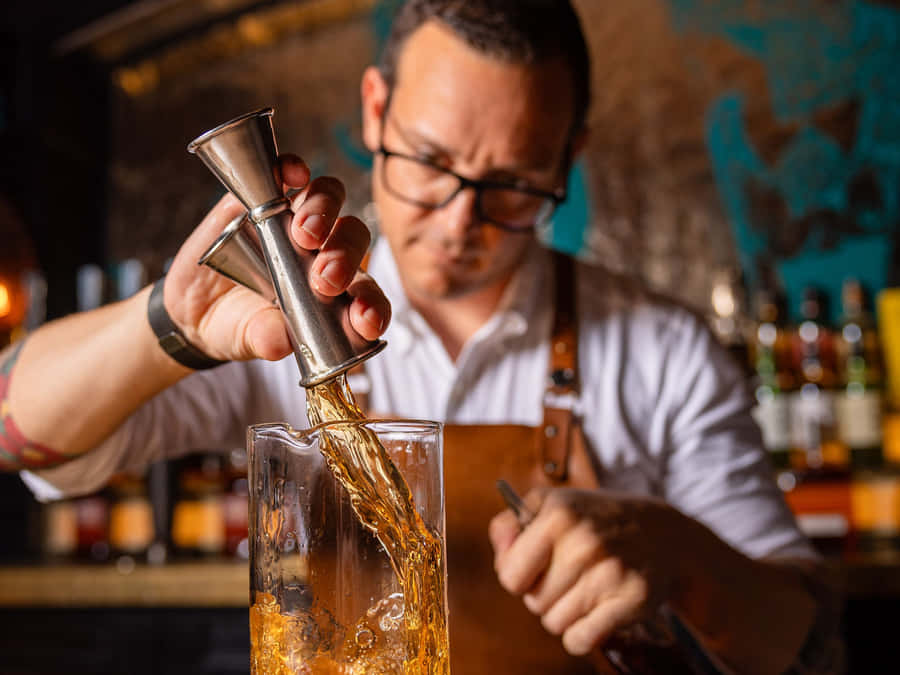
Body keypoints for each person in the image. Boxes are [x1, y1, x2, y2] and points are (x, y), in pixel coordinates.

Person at [0, 1, 840, 673]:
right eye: (430, 163)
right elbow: (21, 432)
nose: (458, 220)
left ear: (567, 160)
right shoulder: (282, 324)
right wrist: (173, 326)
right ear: (375, 110)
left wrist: (678, 551)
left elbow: (803, 641)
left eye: (511, 183)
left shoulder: (665, 351)